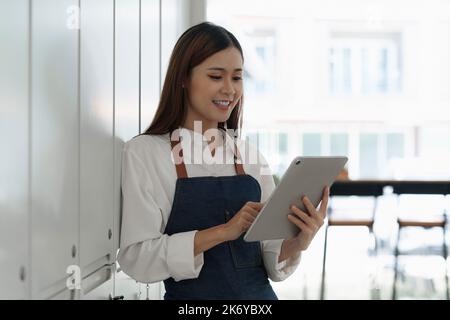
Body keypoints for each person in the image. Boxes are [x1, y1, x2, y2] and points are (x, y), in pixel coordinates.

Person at [117, 22, 329, 300]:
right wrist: (223, 232)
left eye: (237, 78)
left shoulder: (251, 158)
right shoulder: (146, 153)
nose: (229, 89)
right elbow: (137, 260)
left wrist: (298, 242)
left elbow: (270, 259)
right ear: (183, 78)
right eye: (216, 76)